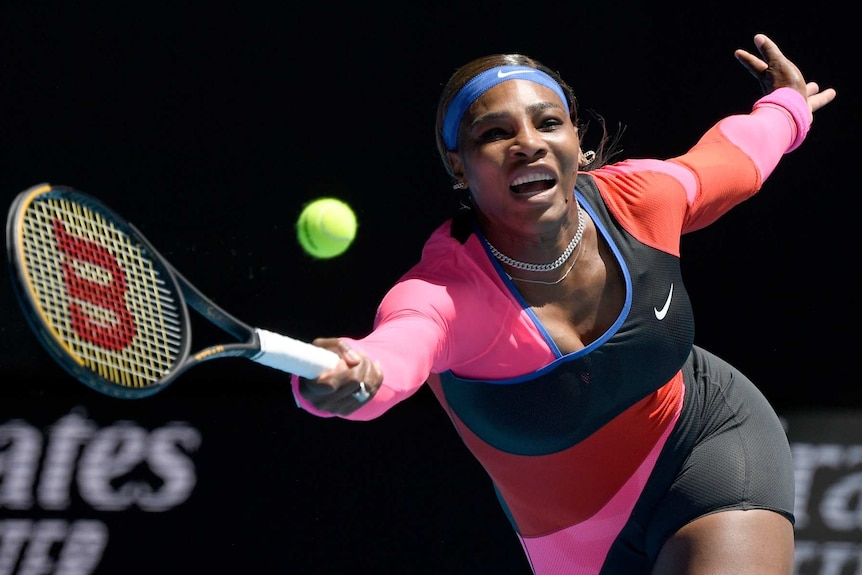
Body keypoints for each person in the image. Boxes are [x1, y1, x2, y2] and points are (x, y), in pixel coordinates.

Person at [290, 33, 836, 574]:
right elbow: (394, 353)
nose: (528, 142)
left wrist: (787, 105)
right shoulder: (445, 294)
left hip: (708, 442)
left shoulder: (643, 200)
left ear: (577, 140)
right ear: (459, 166)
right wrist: (354, 378)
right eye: (495, 133)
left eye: (548, 123)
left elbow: (737, 156)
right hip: (574, 547)